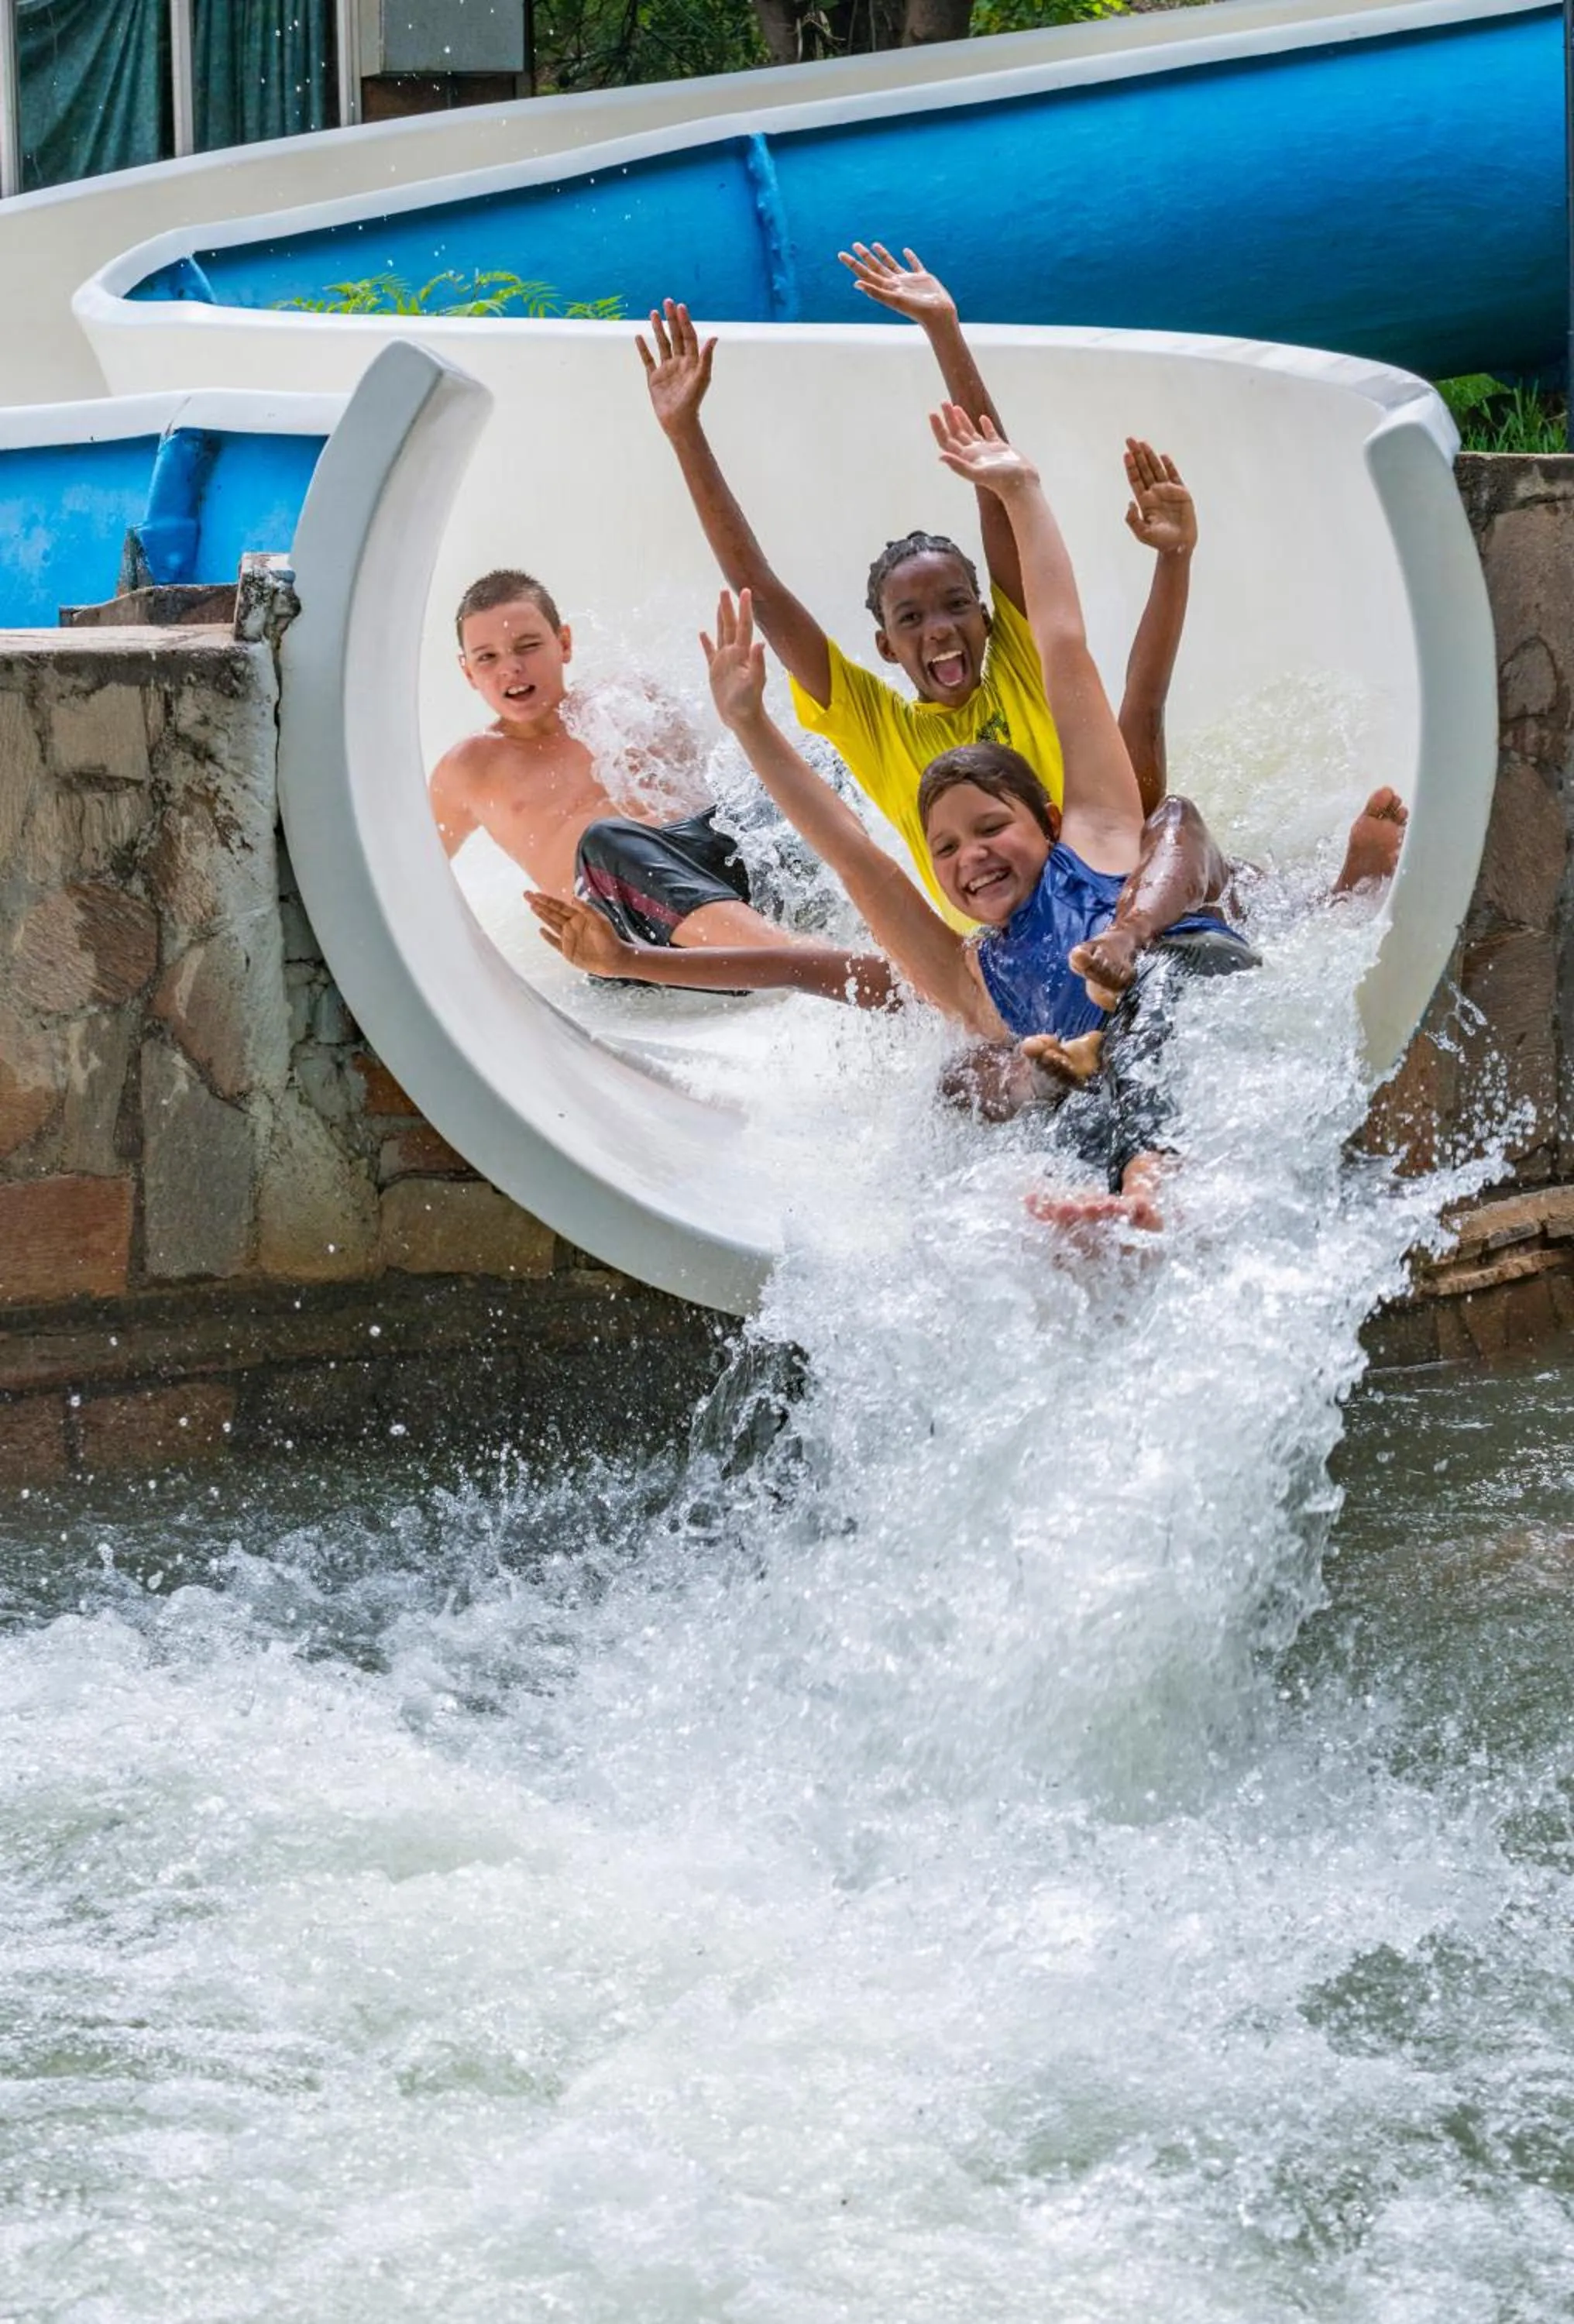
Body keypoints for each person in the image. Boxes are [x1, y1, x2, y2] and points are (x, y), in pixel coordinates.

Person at [533, 397, 1265, 1233]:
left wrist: (1024, 492)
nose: (971, 856)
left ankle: (1142, 1179)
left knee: (1162, 848)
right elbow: (845, 866)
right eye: (945, 846)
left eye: (992, 829)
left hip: (1183, 982)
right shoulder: (964, 973)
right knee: (985, 1077)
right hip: (1080, 1071)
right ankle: (1111, 1197)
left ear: (1050, 819)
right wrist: (747, 725)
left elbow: (1064, 643)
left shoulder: (1095, 844)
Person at [642, 251, 1409, 912]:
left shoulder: (1017, 662)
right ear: (883, 646)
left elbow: (999, 493)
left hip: (1114, 881)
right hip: (1012, 935)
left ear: (988, 617)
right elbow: (764, 592)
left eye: (954, 606)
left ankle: (1327, 900)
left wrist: (944, 330)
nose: (938, 627)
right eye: (910, 620)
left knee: (1174, 841)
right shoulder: (880, 729)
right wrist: (684, 435)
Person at [428, 567, 886, 998]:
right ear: (467, 670)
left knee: (810, 760)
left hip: (717, 895)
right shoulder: (469, 768)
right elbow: (412, 870)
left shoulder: (622, 702)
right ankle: (802, 959)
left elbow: (711, 800)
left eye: (528, 646)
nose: (511, 668)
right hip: (633, 945)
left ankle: (890, 910)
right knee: (607, 842)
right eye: (487, 658)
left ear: (563, 642)